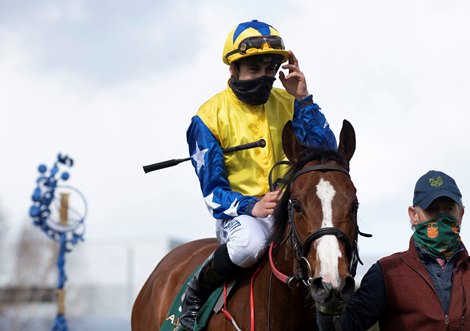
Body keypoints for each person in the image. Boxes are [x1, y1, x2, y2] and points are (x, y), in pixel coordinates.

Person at [179, 19, 337, 330]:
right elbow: (212, 193)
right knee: (251, 244)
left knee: (329, 239)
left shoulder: (290, 102)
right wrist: (252, 205)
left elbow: (326, 153)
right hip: (241, 218)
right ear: (233, 71)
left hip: (292, 211)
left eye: (270, 70)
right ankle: (196, 291)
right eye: (254, 70)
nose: (263, 78)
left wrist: (303, 98)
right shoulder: (207, 118)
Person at [317, 170, 469, 331]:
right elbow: (342, 327)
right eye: (432, 210)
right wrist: (325, 303)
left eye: (449, 209)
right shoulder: (386, 273)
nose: (441, 217)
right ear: (413, 215)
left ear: (461, 213)